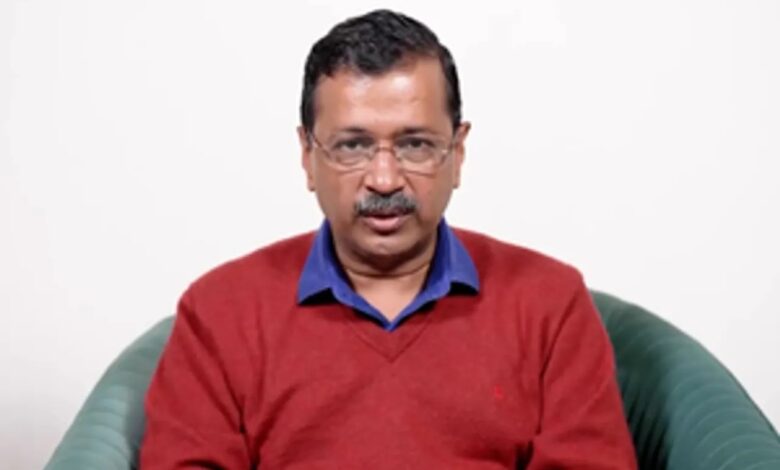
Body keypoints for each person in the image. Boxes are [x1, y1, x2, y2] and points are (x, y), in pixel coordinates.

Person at [140, 9, 637, 469]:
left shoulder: (550, 304)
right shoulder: (220, 312)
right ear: (308, 156)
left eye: (415, 144)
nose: (384, 179)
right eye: (352, 146)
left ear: (457, 153)